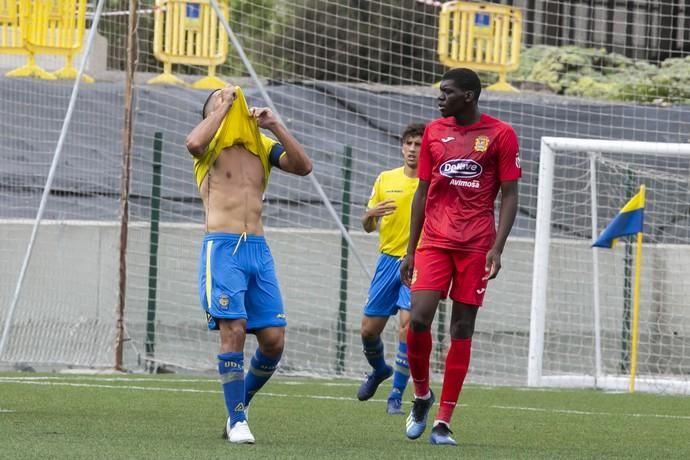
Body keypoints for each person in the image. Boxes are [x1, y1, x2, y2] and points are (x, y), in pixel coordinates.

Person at [185, 84, 312, 444]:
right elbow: (193, 143)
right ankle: (238, 420)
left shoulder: (261, 146)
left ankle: (238, 407)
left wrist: (275, 125)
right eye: (223, 98)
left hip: (258, 249)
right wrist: (221, 109)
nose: (234, 99)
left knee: (273, 341)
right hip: (222, 249)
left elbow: (304, 167)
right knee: (234, 330)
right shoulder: (208, 146)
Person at [400, 68, 521, 445]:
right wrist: (410, 249)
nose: (439, 97)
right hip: (434, 241)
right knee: (418, 319)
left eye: (447, 91)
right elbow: (422, 192)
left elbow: (510, 195)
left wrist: (496, 247)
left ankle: (443, 421)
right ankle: (421, 395)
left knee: (462, 328)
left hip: (475, 246)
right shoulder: (435, 132)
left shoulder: (501, 134)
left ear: (468, 96)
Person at [357, 123, 425, 415]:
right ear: (401, 147)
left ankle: (395, 396)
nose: (412, 149)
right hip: (387, 262)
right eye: (409, 143)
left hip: (419, 262)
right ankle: (379, 370)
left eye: (418, 144)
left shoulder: (431, 181)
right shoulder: (386, 179)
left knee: (407, 329)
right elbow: (368, 225)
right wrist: (370, 214)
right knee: (368, 330)